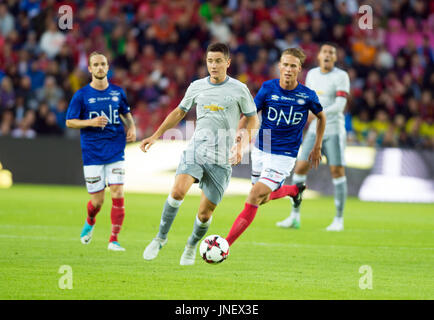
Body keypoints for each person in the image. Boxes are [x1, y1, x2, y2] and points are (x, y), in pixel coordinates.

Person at [140, 42, 259, 265]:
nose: (213, 66)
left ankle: (192, 245)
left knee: (205, 215)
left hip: (222, 159)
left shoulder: (239, 89)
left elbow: (253, 119)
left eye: (218, 61)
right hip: (197, 150)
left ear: (228, 63)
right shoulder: (196, 86)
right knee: (177, 191)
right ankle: (160, 237)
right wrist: (156, 135)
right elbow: (179, 112)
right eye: (210, 61)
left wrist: (242, 144)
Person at [225, 47, 326, 247]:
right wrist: (238, 138)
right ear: (280, 66)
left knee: (254, 196)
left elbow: (322, 117)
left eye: (293, 66)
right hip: (261, 148)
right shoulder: (268, 88)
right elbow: (249, 114)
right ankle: (293, 191)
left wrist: (317, 146)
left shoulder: (307, 95)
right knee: (262, 198)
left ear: (299, 69)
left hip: (284, 155)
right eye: (285, 65)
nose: (288, 69)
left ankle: (225, 245)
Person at [66, 52, 136, 251]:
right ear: (89, 68)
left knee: (118, 192)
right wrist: (91, 122)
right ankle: (90, 220)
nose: (99, 68)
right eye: (95, 64)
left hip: (115, 151)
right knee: (97, 202)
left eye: (103, 64)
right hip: (93, 154)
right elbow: (70, 122)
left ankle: (113, 239)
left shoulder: (118, 92)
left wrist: (132, 127)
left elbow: (126, 113)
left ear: (107, 67)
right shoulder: (81, 95)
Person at [276, 43, 350, 231]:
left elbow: (341, 105)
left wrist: (318, 112)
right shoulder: (312, 75)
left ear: (335, 57)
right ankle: (294, 216)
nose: (327, 55)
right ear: (319, 56)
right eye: (325, 52)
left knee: (337, 172)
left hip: (333, 130)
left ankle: (338, 220)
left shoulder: (341, 76)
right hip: (314, 130)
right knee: (300, 168)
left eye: (331, 53)